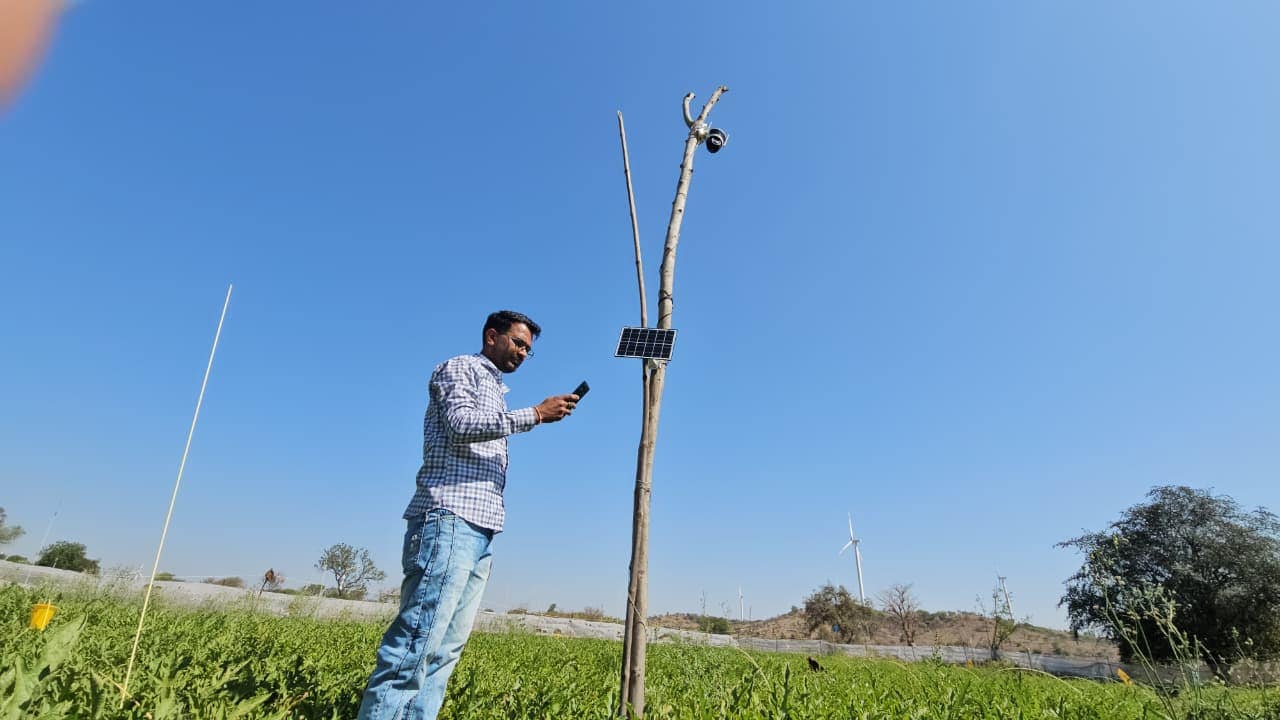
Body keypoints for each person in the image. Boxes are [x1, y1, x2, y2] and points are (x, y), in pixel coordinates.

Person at [356, 310, 579, 720]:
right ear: (492, 336)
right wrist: (535, 414)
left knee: (445, 650)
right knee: (416, 643)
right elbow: (460, 425)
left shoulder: (495, 388)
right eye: (518, 343)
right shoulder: (461, 368)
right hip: (449, 517)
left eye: (528, 349)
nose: (523, 353)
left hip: (481, 529)